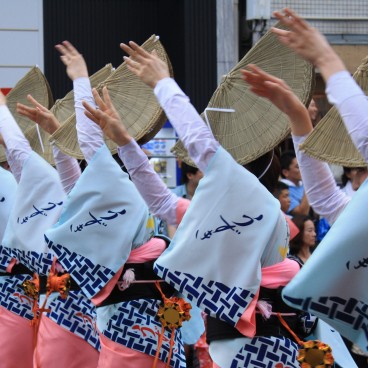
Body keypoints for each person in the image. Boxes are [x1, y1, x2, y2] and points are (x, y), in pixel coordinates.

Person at [117, 40, 324, 367]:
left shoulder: (261, 210)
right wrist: (160, 88)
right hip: (261, 340)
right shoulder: (263, 209)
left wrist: (127, 144)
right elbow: (174, 183)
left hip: (249, 339)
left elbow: (162, 199)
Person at [45, 40, 198, 368]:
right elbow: (87, 151)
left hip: (152, 323)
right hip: (136, 325)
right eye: (137, 150)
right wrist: (80, 82)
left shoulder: (143, 198)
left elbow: (86, 164)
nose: (144, 154)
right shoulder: (121, 196)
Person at [280, 150, 311, 216]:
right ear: (286, 172)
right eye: (297, 167)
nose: (302, 169)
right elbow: (302, 213)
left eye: (301, 165)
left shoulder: (303, 184)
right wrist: (308, 184)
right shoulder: (283, 190)